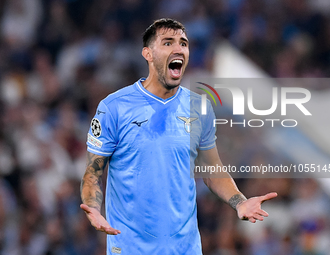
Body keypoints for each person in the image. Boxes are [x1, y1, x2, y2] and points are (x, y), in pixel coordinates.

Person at [80, 18, 277, 254]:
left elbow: (212, 170)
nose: (178, 49)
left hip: (185, 249)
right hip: (132, 248)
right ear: (148, 54)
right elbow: (93, 171)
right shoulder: (114, 107)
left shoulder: (199, 108)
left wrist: (239, 201)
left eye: (183, 43)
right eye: (168, 42)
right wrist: (93, 209)